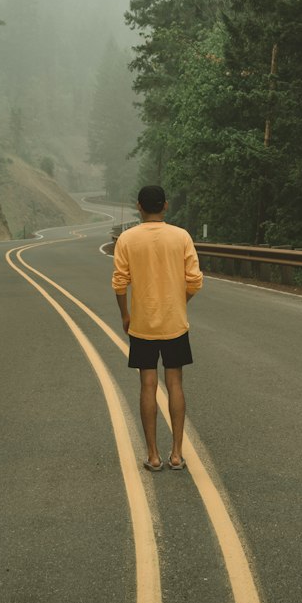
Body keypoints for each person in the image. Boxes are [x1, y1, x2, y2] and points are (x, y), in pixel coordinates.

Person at [112, 185, 203, 473]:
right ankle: (176, 454)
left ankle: (152, 456)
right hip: (175, 323)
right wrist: (179, 301)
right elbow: (195, 281)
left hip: (142, 325)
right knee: (175, 383)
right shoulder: (181, 237)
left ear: (139, 207)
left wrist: (126, 316)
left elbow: (119, 283)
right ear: (165, 206)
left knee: (147, 385)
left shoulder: (127, 239)